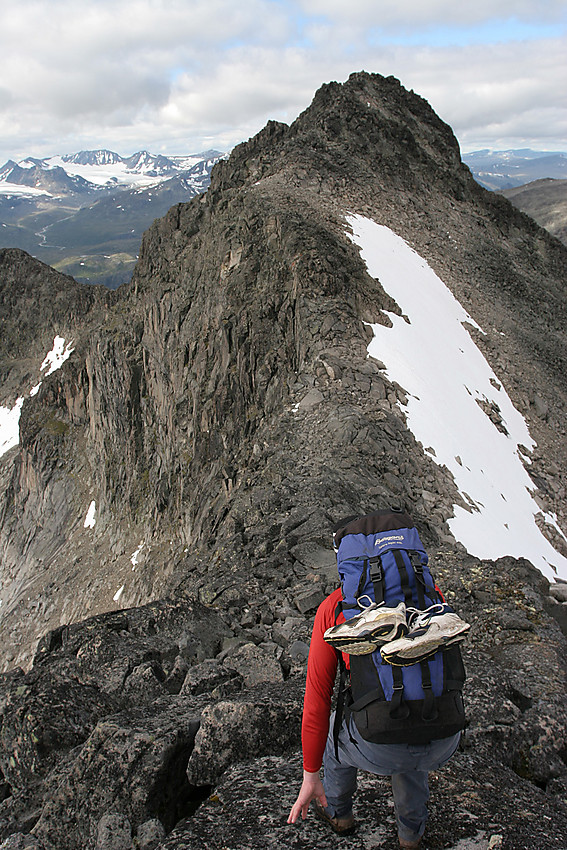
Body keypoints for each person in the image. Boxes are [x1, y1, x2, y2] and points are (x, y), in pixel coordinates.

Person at [287, 586, 462, 849]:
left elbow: (317, 704)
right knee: (416, 707)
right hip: (445, 737)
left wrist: (310, 776)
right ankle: (411, 833)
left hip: (378, 744)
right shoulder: (430, 592)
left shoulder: (336, 606)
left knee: (335, 727)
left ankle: (338, 812)